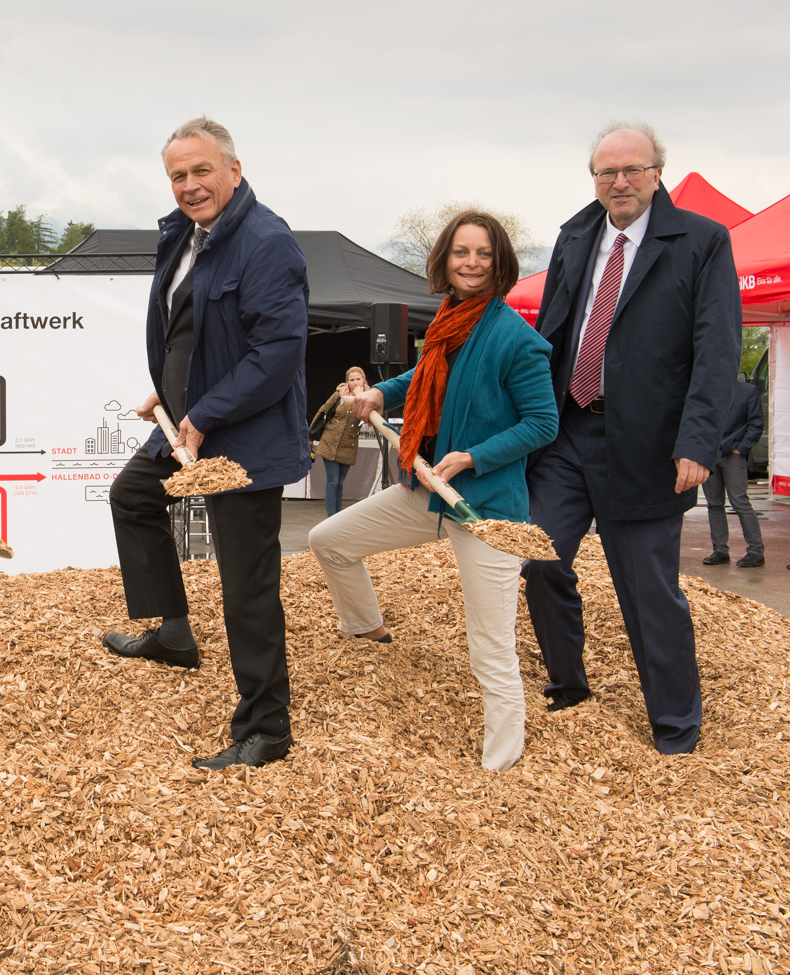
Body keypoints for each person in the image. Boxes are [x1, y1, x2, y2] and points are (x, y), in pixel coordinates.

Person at [309, 212, 557, 771]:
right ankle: (368, 633)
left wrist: (472, 456)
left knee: (490, 644)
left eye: (484, 254)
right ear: (445, 259)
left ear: (500, 263)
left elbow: (543, 423)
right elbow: (423, 376)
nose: (472, 263)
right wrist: (380, 394)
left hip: (485, 508)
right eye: (461, 252)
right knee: (329, 540)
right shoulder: (447, 321)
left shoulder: (518, 341)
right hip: (426, 490)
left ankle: (501, 762)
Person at [522, 122, 741, 755]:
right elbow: (551, 333)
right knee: (538, 559)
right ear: (594, 178)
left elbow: (717, 349)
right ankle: (569, 684)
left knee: (648, 592)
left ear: (657, 173)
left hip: (649, 447)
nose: (620, 182)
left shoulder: (702, 241)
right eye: (607, 172)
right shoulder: (574, 236)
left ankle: (676, 728)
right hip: (566, 435)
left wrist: (697, 441)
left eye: (632, 170)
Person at [99, 116, 309, 771]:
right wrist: (169, 391)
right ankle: (174, 631)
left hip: (242, 436)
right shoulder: (186, 236)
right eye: (177, 176)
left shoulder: (266, 242)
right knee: (134, 498)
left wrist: (206, 410)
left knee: (246, 583)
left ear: (234, 171)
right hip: (189, 422)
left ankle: (266, 728)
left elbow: (276, 353)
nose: (189, 185)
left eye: (201, 171)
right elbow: (191, 331)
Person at [701, 374, 764, 568]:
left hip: (733, 455)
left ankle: (756, 551)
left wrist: (741, 449)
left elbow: (756, 424)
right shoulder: (706, 392)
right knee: (714, 504)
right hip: (709, 455)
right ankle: (720, 551)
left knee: (740, 502)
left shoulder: (748, 391)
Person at [313, 367, 370, 516]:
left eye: (358, 379)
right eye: (352, 380)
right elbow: (323, 410)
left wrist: (360, 397)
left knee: (339, 482)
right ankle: (331, 517)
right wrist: (310, 435)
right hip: (330, 441)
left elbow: (369, 419)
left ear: (363, 380)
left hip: (348, 444)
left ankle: (336, 515)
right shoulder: (339, 393)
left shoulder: (369, 396)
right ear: (347, 381)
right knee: (333, 481)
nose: (355, 382)